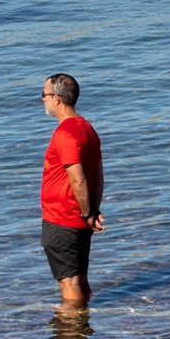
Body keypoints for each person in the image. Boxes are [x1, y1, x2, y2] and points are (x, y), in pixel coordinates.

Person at [40, 72, 105, 310]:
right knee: (79, 279)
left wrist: (88, 213)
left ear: (57, 99)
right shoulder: (86, 127)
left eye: (44, 95)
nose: (43, 100)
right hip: (77, 218)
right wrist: (92, 210)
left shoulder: (65, 133)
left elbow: (78, 179)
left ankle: (73, 333)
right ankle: (82, 333)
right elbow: (98, 173)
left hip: (62, 220)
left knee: (69, 282)